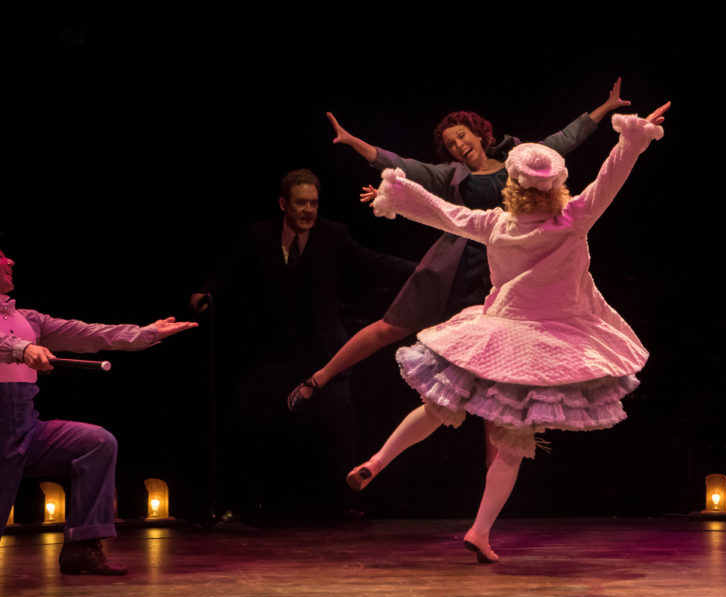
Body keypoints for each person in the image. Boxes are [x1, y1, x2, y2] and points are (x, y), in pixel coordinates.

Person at [343, 104, 668, 563]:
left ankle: (377, 461)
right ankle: (479, 530)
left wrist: (398, 195)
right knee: (511, 446)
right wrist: (632, 138)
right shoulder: (574, 219)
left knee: (438, 406)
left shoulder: (495, 224)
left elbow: (444, 214)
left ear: (513, 187)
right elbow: (610, 180)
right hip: (542, 347)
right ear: (556, 186)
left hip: (493, 334)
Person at [287, 79, 633, 413]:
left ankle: (495, 464)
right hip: (455, 266)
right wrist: (356, 144)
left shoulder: (520, 159)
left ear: (481, 134)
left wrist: (604, 108)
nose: (458, 145)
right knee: (390, 326)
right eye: (450, 143)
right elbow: (404, 167)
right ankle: (319, 378)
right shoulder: (450, 175)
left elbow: (564, 140)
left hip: (507, 275)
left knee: (496, 374)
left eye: (462, 136)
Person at [190, 169, 414, 523]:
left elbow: (373, 262)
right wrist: (206, 291)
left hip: (324, 351)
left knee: (339, 420)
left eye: (314, 203)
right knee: (248, 417)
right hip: (273, 351)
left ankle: (343, 503)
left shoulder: (333, 235)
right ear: (284, 204)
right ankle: (248, 504)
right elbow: (229, 269)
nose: (309, 210)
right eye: (301, 203)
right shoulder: (259, 235)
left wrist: (425, 272)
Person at [0, 247, 197, 575]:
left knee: (97, 442)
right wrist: (22, 349)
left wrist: (144, 334)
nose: (11, 262)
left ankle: (81, 546)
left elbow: (87, 333)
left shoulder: (27, 319)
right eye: (2, 256)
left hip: (26, 429)